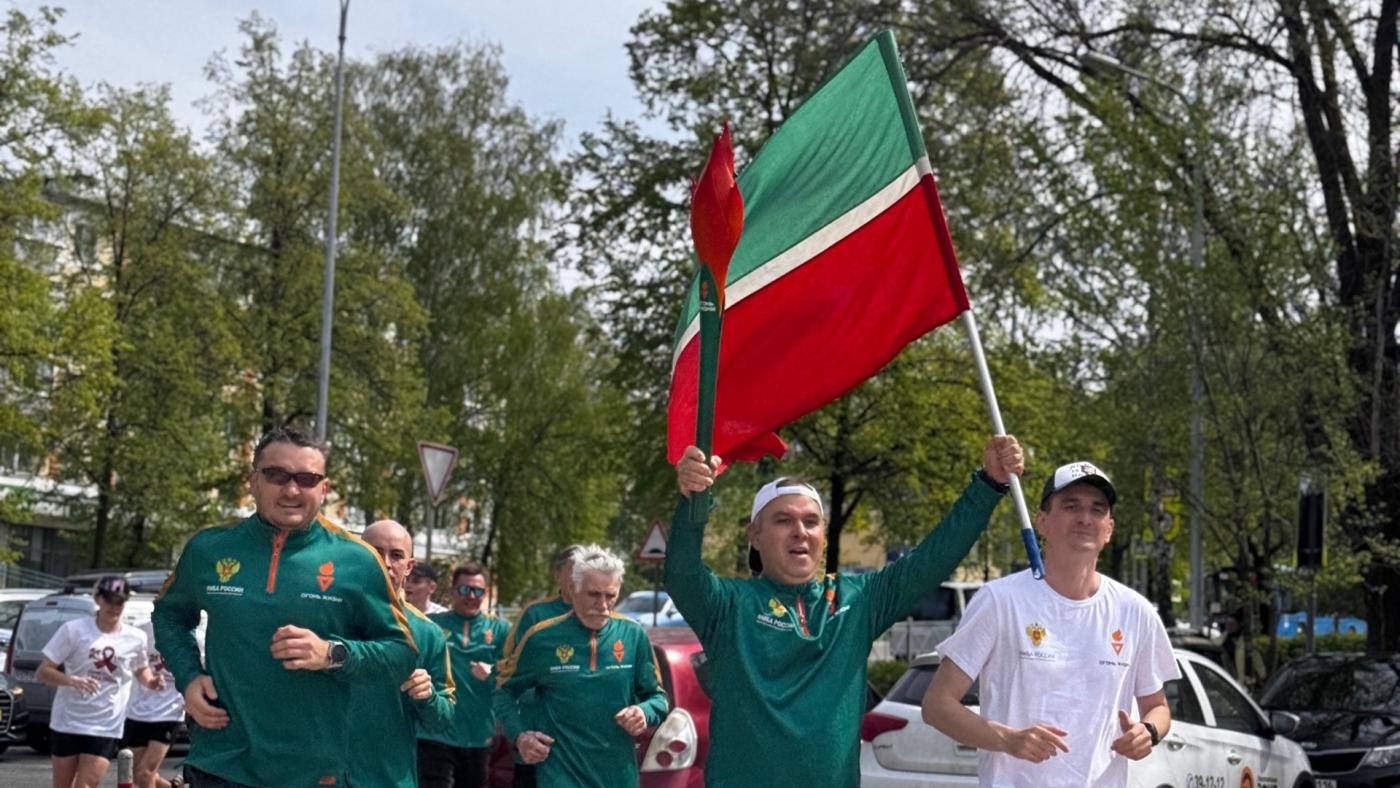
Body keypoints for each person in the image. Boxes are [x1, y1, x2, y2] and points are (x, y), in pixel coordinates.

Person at [672, 436, 1022, 787]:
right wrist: (692, 502)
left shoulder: (858, 600)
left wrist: (989, 484)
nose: (800, 532)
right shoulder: (728, 605)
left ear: (823, 535)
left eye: (811, 522)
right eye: (783, 521)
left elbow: (932, 558)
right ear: (755, 535)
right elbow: (681, 574)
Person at [152, 426, 418, 788]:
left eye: (306, 478)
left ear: (324, 489)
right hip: (220, 762)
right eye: (276, 475)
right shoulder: (209, 548)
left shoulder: (358, 561)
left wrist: (332, 653)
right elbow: (169, 615)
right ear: (253, 481)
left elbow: (401, 653)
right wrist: (188, 677)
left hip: (313, 772)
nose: (291, 490)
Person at [921, 460, 1179, 787]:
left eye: (1097, 510)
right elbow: (937, 706)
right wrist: (1008, 739)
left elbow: (1157, 707)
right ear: (1042, 522)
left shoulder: (1135, 611)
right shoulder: (1000, 601)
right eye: (1071, 506)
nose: (1085, 518)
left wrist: (1149, 732)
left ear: (1109, 529)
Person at [493, 544, 668, 788]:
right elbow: (503, 691)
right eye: (594, 595)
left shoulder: (633, 635)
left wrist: (643, 712)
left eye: (611, 596)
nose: (603, 605)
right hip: (560, 776)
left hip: (618, 777)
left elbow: (657, 698)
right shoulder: (541, 637)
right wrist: (520, 736)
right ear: (573, 590)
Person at [350, 519, 456, 788]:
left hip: (388, 778)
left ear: (409, 566)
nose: (385, 562)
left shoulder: (427, 633)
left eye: (396, 555)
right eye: (374, 551)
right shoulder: (327, 615)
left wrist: (427, 696)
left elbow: (442, 720)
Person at [37, 575, 162, 788]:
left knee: (86, 785)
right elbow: (43, 672)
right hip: (67, 721)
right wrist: (71, 680)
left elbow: (141, 669)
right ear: (97, 599)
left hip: (105, 724)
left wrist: (150, 682)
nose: (114, 607)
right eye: (109, 600)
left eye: (119, 602)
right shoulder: (73, 630)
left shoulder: (136, 638)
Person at [418, 562, 512, 788]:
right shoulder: (432, 625)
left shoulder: (500, 630)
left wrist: (493, 673)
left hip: (478, 736)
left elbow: (515, 677)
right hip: (434, 733)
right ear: (452, 591)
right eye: (464, 590)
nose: (471, 596)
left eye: (478, 591)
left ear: (486, 593)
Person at [498, 544, 581, 788]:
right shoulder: (536, 615)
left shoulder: (601, 616)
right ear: (558, 574)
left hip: (581, 741)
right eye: (574, 569)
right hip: (540, 733)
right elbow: (509, 675)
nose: (580, 576)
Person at [122, 619, 194, 788]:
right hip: (138, 711)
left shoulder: (192, 634)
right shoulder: (140, 633)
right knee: (140, 775)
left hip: (169, 713)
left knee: (145, 773)